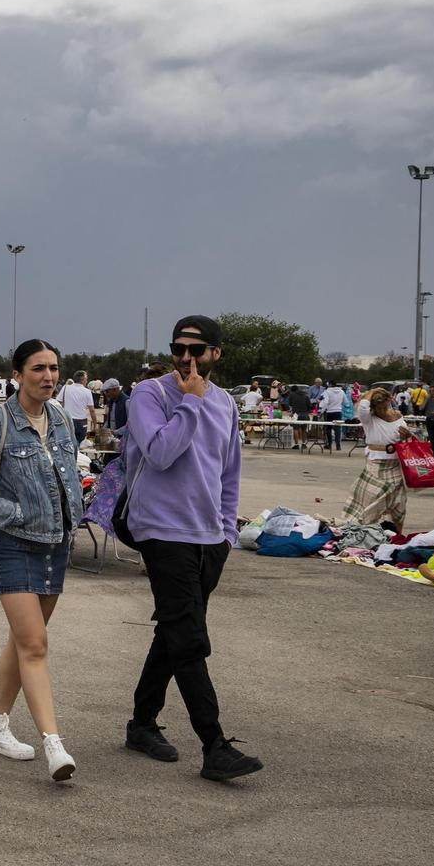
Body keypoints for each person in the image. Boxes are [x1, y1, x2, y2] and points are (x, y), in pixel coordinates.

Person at [122, 315, 262, 783]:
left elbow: (229, 474)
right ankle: (214, 743)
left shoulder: (226, 404)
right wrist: (191, 403)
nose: (187, 358)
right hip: (161, 531)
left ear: (216, 354)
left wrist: (225, 534)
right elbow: (161, 452)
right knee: (188, 634)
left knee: (173, 631)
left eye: (197, 350)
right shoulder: (152, 394)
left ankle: (142, 724)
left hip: (209, 538)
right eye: (179, 348)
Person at [0, 340, 82, 783]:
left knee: (23, 640)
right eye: (37, 369)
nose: (48, 377)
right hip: (12, 546)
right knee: (34, 645)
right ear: (17, 374)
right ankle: (54, 745)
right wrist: (15, 514)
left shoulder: (63, 419)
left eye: (53, 368)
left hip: (55, 545)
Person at [342, 387, 416, 531]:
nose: (382, 411)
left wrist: (407, 434)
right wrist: (374, 390)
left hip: (395, 462)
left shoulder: (397, 414)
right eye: (379, 408)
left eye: (385, 407)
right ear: (373, 407)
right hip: (376, 462)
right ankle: (366, 530)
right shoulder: (368, 418)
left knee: (399, 500)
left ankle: (397, 536)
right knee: (373, 498)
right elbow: (363, 406)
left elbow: (407, 438)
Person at [57, 370, 95, 444]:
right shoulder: (87, 392)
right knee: (81, 445)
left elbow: (57, 403)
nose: (86, 381)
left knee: (68, 444)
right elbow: (92, 410)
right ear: (82, 380)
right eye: (86, 379)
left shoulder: (65, 388)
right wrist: (95, 424)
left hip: (68, 420)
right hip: (82, 422)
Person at [319, 381, 346, 451]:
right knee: (338, 429)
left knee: (328, 428)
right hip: (338, 411)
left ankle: (329, 444)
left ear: (330, 384)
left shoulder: (327, 391)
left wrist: (321, 410)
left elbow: (326, 401)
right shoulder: (341, 391)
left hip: (329, 412)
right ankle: (338, 445)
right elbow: (345, 401)